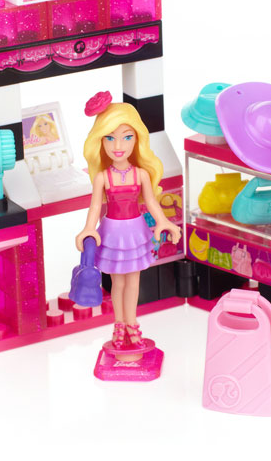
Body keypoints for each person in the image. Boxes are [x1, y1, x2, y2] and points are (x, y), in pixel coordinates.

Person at [75, 91, 181, 349]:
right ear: (100, 141)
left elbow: (152, 203)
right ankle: (119, 324)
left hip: (135, 231)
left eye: (126, 137)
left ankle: (132, 323)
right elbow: (95, 206)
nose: (118, 145)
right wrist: (88, 228)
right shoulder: (102, 177)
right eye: (110, 138)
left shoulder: (141, 174)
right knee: (117, 282)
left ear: (137, 139)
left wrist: (164, 222)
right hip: (112, 232)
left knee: (133, 281)